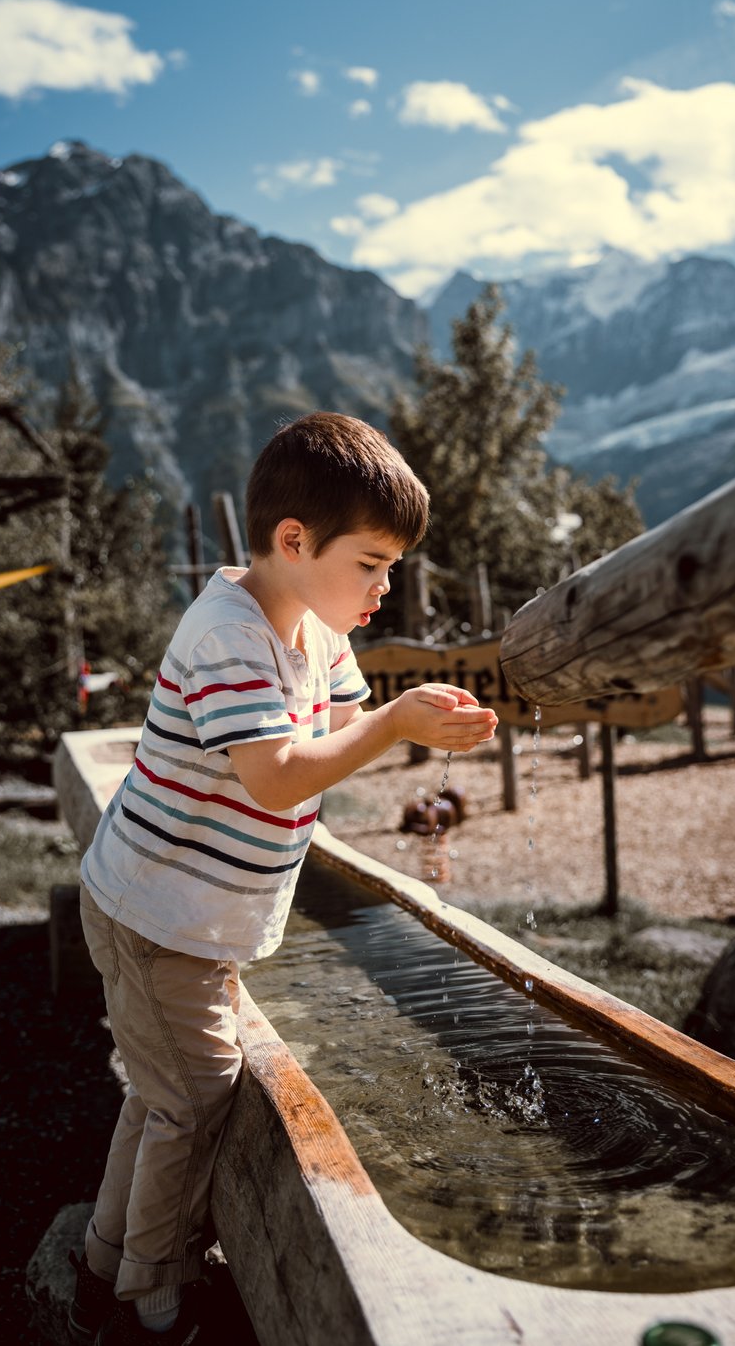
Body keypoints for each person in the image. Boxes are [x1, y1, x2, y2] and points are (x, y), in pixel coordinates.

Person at [70, 412, 498, 1344]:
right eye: (373, 563)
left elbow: (330, 733)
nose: (385, 588)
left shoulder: (316, 625)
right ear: (294, 541)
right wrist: (392, 729)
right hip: (158, 913)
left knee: (161, 1092)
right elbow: (275, 773)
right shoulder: (229, 632)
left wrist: (411, 723)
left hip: (192, 911)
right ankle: (152, 1290)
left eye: (391, 567)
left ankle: (106, 1249)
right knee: (196, 1098)